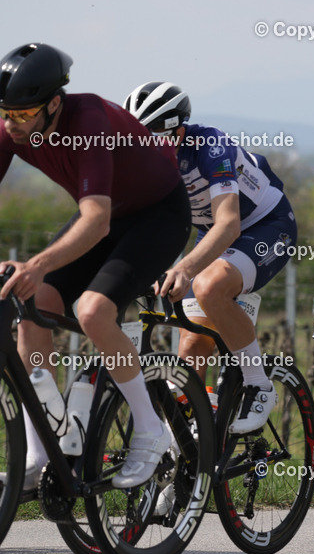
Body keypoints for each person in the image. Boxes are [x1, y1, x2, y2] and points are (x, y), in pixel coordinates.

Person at [0, 45, 190, 489]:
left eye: (24, 115)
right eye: (7, 114)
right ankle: (39, 449)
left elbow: (96, 220)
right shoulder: (11, 127)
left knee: (93, 310)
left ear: (53, 103)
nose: (14, 125)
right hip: (105, 214)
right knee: (33, 302)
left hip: (157, 215)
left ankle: (150, 430)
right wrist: (29, 274)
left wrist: (35, 263)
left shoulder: (86, 121)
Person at [124, 82, 297, 434]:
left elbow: (229, 224)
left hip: (265, 225)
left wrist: (185, 268)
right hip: (213, 231)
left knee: (210, 284)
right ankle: (191, 462)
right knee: (192, 346)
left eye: (154, 137)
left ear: (179, 130)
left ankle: (258, 385)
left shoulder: (209, 145)